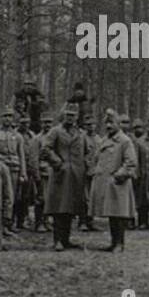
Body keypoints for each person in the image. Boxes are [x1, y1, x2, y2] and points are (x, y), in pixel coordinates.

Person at [42, 104, 94, 251]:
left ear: (77, 117)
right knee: (59, 208)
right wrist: (57, 163)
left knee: (71, 209)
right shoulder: (55, 131)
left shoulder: (81, 134)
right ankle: (57, 240)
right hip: (60, 176)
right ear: (63, 115)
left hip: (76, 176)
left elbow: (89, 151)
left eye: (73, 115)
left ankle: (66, 239)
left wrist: (87, 166)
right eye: (68, 115)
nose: (70, 118)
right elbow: (45, 149)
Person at [90, 109, 138, 252]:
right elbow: (97, 159)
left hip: (119, 184)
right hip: (107, 183)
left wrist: (118, 176)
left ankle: (120, 243)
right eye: (107, 123)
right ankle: (113, 242)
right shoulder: (105, 140)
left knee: (119, 216)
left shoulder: (125, 141)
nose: (109, 126)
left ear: (118, 124)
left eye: (112, 123)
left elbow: (131, 163)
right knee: (112, 215)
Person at [0, 108, 27, 232]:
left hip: (14, 169)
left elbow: (21, 155)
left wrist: (23, 173)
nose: (8, 119)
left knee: (11, 196)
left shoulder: (17, 136)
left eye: (10, 116)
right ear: (1, 118)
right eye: (5, 116)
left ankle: (9, 223)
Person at [80, 112, 104, 232]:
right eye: (88, 125)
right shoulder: (82, 138)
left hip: (95, 172)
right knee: (84, 197)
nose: (91, 127)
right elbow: (81, 155)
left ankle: (91, 221)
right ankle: (83, 221)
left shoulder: (99, 139)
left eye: (93, 125)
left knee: (93, 197)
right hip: (83, 171)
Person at [32, 113, 54, 231]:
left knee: (50, 198)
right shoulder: (37, 139)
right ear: (41, 124)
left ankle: (47, 221)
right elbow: (34, 158)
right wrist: (36, 174)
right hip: (43, 172)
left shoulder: (55, 137)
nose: (47, 125)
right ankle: (39, 222)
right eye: (45, 122)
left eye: (49, 122)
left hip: (54, 173)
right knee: (41, 198)